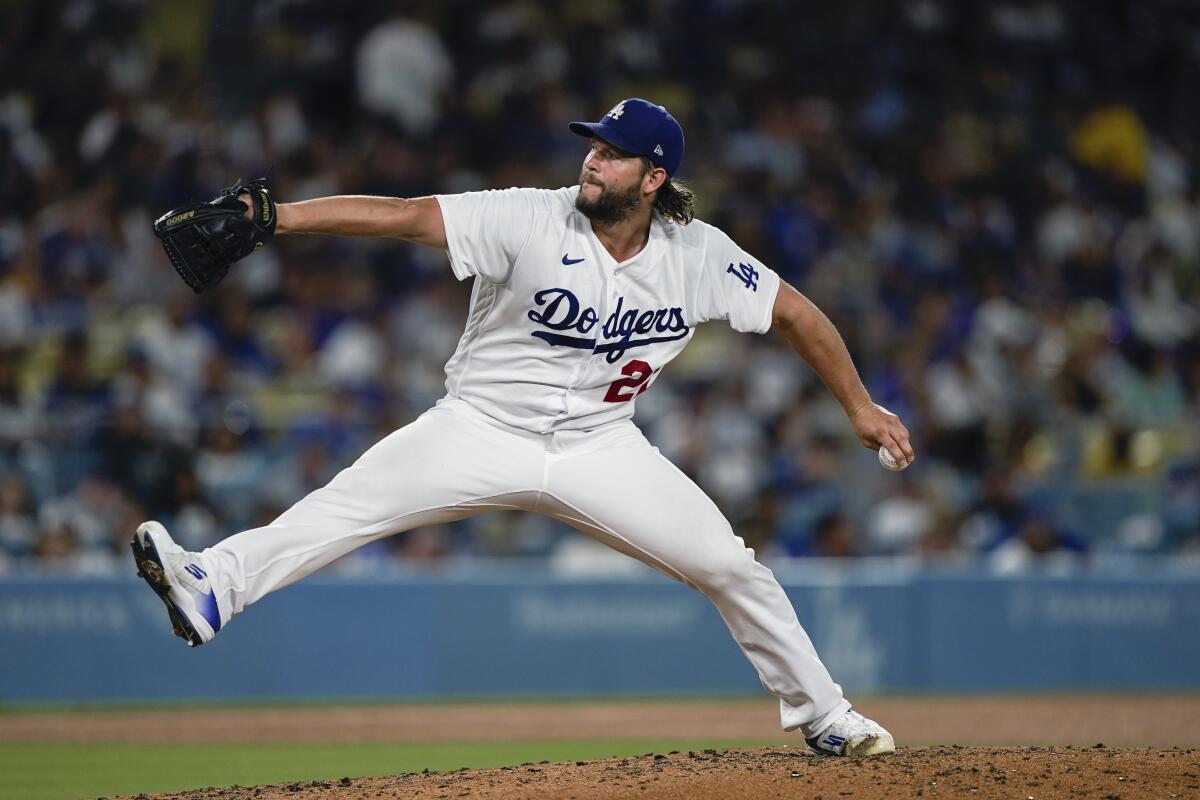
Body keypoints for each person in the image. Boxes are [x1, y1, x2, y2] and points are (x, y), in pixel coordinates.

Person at [131, 98, 915, 757]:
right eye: (594, 148)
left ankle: (825, 715)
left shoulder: (698, 256)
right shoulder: (529, 216)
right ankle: (213, 587)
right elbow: (406, 217)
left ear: (655, 177)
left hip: (601, 446)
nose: (593, 162)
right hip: (478, 426)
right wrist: (277, 218)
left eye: (614, 155)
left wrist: (858, 404)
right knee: (344, 507)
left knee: (730, 567)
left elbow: (796, 314)